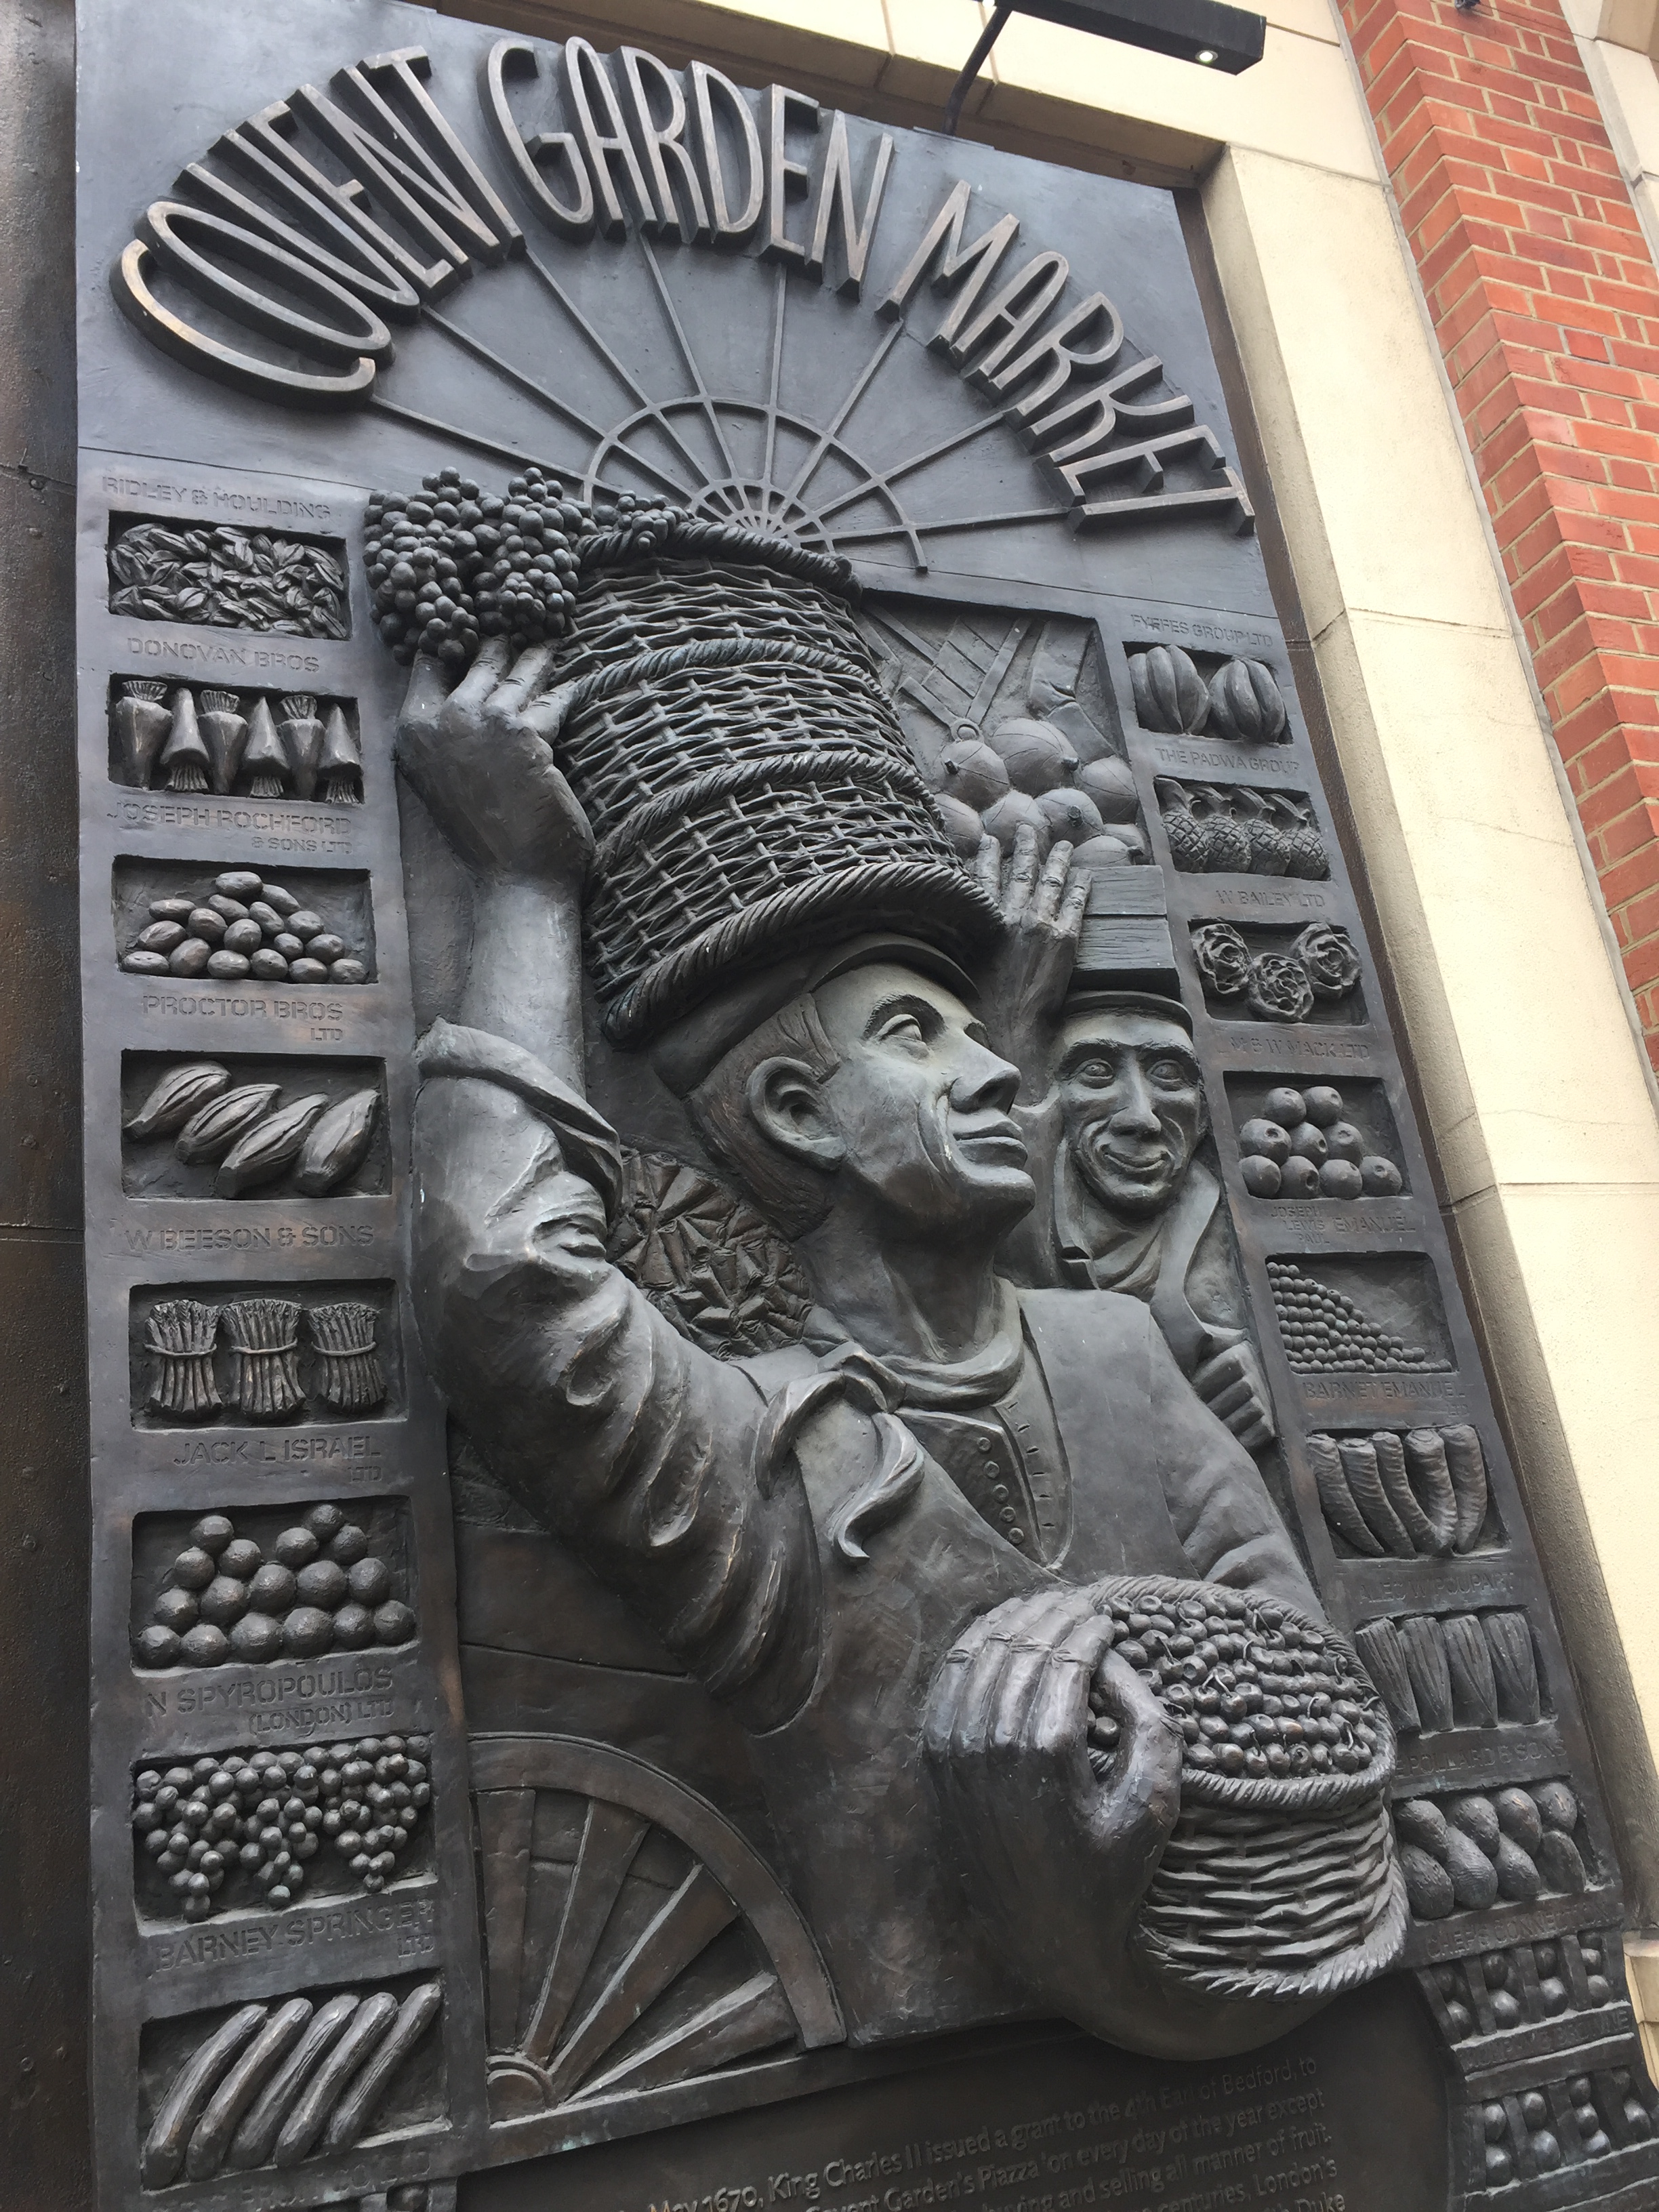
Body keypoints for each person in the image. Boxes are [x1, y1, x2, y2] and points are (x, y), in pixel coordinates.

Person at [401, 642, 1331, 2057]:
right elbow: (504, 1282)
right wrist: (526, 891)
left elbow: (1300, 1679)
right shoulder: (774, 1455)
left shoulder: (1120, 1357)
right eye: (918, 1035)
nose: (1000, 1066)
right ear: (795, 1111)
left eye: (980, 1031)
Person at [983, 831, 1276, 1450]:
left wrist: (1263, 1387)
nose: (1140, 1118)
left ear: (1205, 1114)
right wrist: (1012, 1026)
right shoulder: (1013, 1218)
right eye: (1095, 1073)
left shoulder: (1227, 1220)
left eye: (1169, 1076)